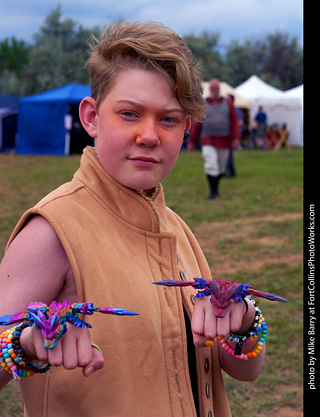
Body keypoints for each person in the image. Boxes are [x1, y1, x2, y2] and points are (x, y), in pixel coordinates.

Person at [0, 22, 265, 417]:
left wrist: (242, 320)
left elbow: (246, 370)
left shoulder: (176, 228)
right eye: (129, 114)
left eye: (169, 119)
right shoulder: (51, 231)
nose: (148, 135)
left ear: (187, 131)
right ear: (91, 117)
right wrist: (25, 344)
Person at [187, 79, 240, 199]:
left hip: (224, 140)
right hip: (207, 139)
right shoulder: (203, 104)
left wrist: (236, 138)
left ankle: (216, 189)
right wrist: (192, 140)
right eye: (212, 89)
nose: (214, 91)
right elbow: (197, 123)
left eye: (216, 89)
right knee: (211, 165)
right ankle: (213, 191)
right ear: (210, 90)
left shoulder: (228, 103)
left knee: (221, 168)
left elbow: (233, 121)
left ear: (219, 89)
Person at [224, 94, 244, 178]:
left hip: (231, 134)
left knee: (228, 153)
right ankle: (232, 172)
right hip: (226, 134)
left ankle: (226, 172)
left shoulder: (236, 110)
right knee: (228, 153)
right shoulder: (226, 109)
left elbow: (240, 122)